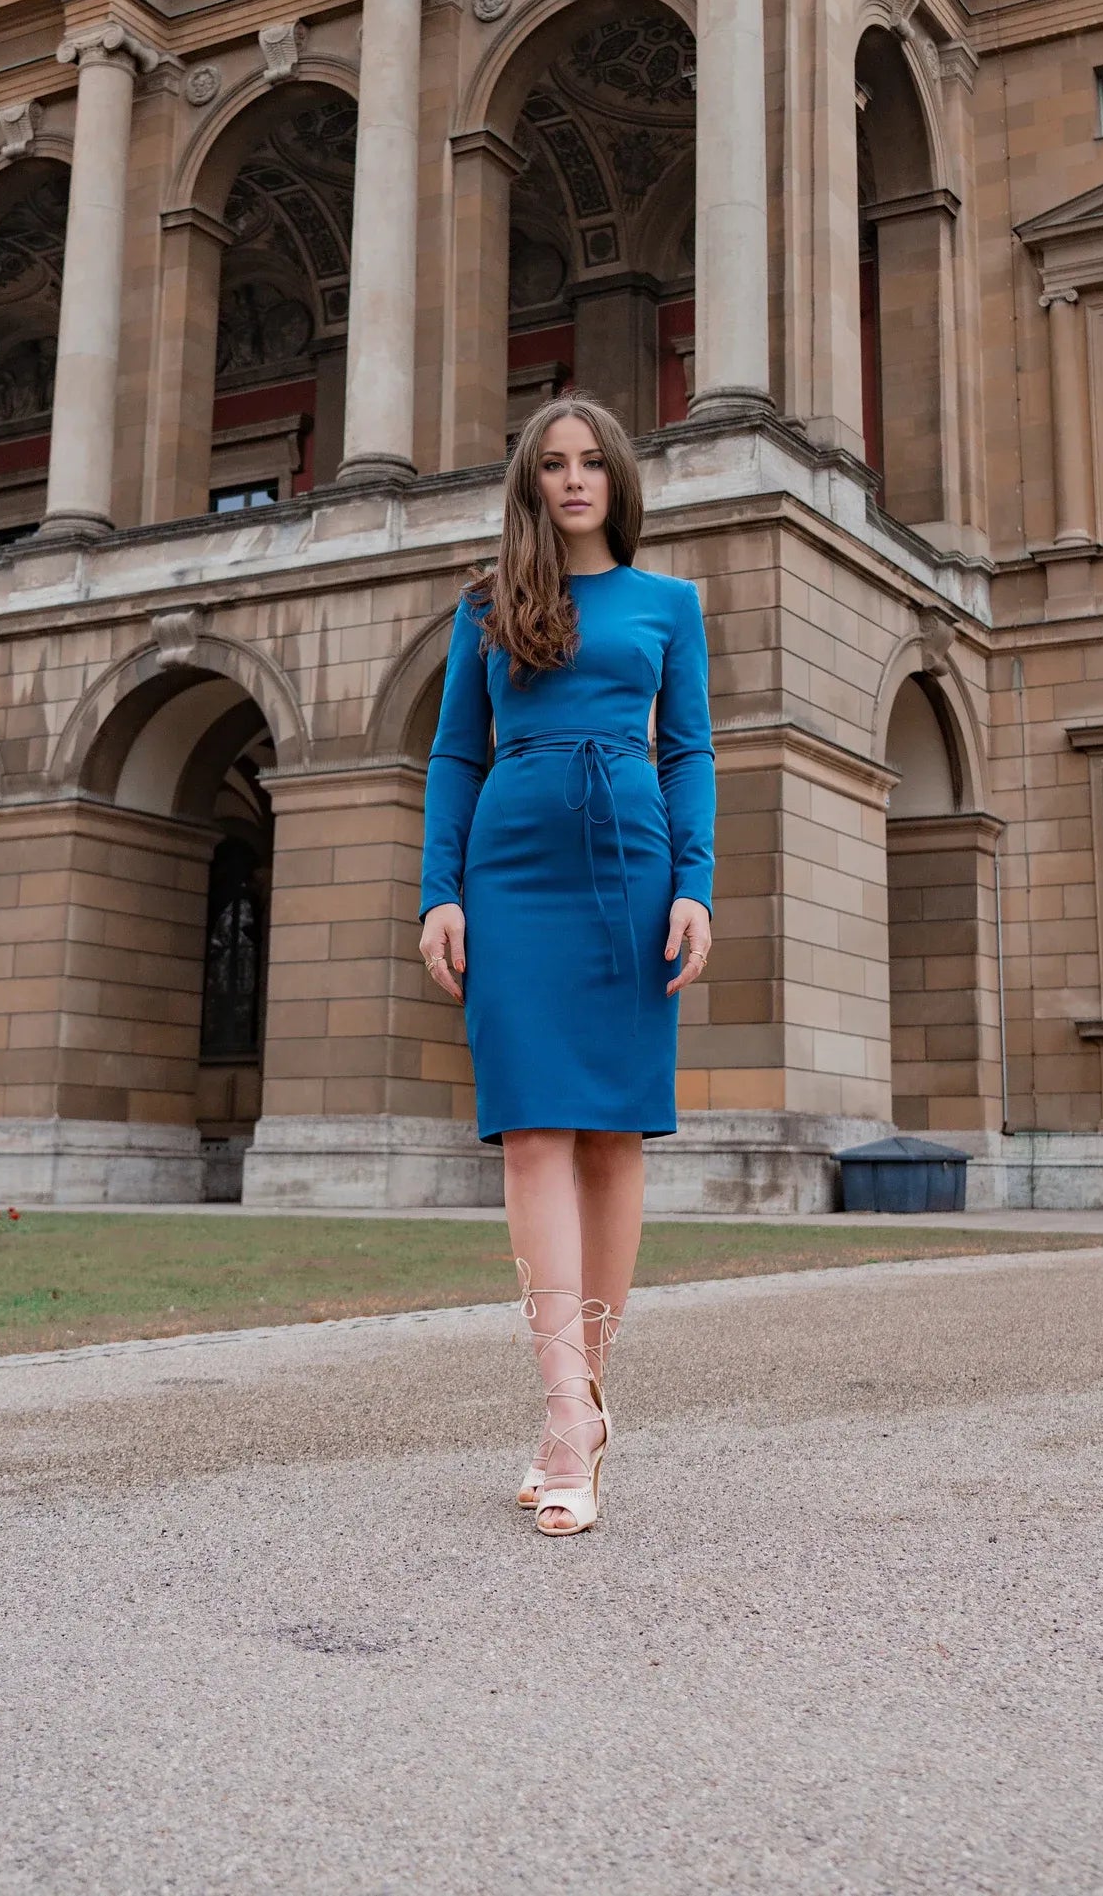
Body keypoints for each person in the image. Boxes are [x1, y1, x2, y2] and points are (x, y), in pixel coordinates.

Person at [417, 392, 716, 1536]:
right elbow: (454, 753)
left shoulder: (668, 606)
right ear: (530, 482)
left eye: (593, 462)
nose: (576, 479)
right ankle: (562, 1415)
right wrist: (439, 892)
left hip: (632, 866)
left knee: (615, 1133)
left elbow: (688, 752)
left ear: (618, 479)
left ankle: (585, 1403)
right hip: (513, 870)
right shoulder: (488, 606)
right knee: (532, 1127)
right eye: (554, 464)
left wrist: (696, 884)